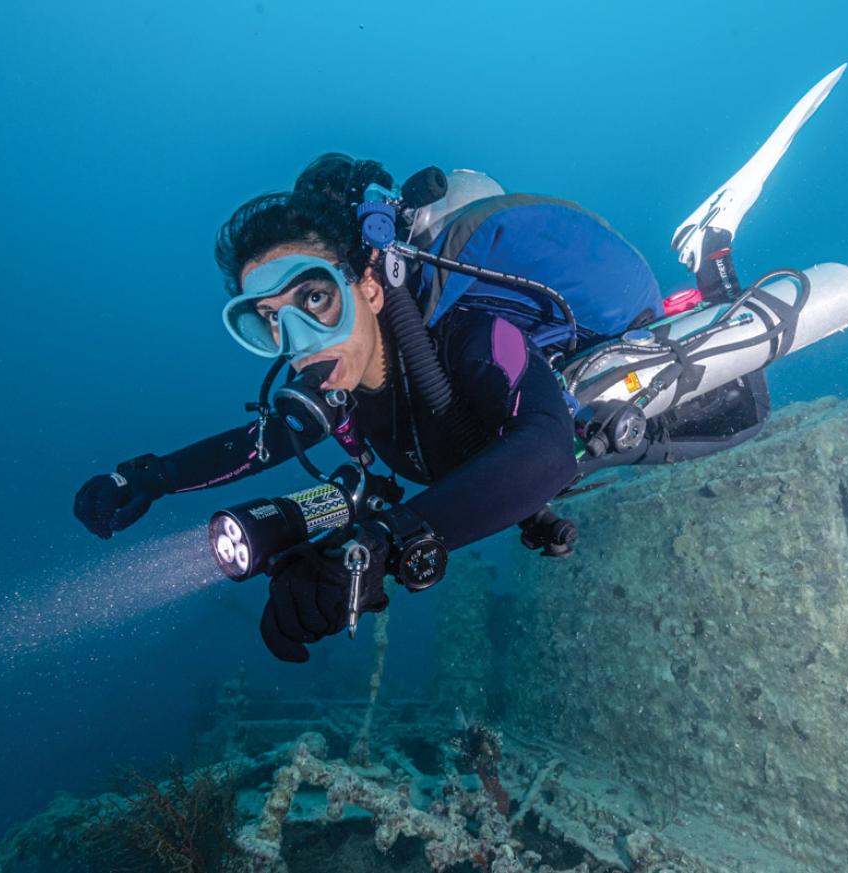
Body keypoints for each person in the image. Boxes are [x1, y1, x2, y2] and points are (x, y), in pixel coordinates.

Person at [74, 154, 767, 662]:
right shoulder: (330, 389)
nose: (298, 342)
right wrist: (148, 477)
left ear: (370, 284)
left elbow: (549, 451)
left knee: (744, 413)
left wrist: (382, 542)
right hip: (485, 469)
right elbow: (259, 444)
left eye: (315, 298)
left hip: (583, 405)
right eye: (267, 322)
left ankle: (711, 261)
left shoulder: (470, 335)